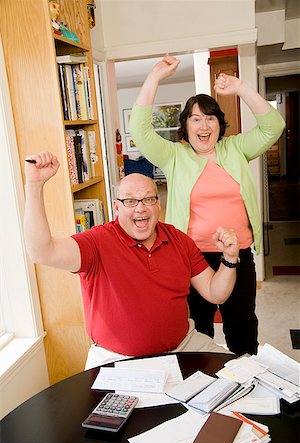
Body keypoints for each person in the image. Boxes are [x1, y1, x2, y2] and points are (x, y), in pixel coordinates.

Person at [129, 54, 286, 356]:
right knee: (195, 334)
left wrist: (241, 88)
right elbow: (140, 131)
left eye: (210, 117)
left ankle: (244, 392)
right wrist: (154, 77)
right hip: (190, 259)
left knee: (241, 332)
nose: (204, 125)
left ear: (219, 124)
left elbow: (273, 125)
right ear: (185, 126)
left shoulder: (236, 149)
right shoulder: (175, 155)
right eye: (196, 118)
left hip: (237, 256)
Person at [24, 152, 240, 369]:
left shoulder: (179, 240)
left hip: (184, 345)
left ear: (158, 205)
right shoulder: (96, 242)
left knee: (239, 375)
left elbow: (215, 292)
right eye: (130, 201)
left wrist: (229, 259)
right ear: (117, 208)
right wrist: (35, 185)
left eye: (148, 199)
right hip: (117, 358)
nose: (140, 208)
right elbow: (42, 251)